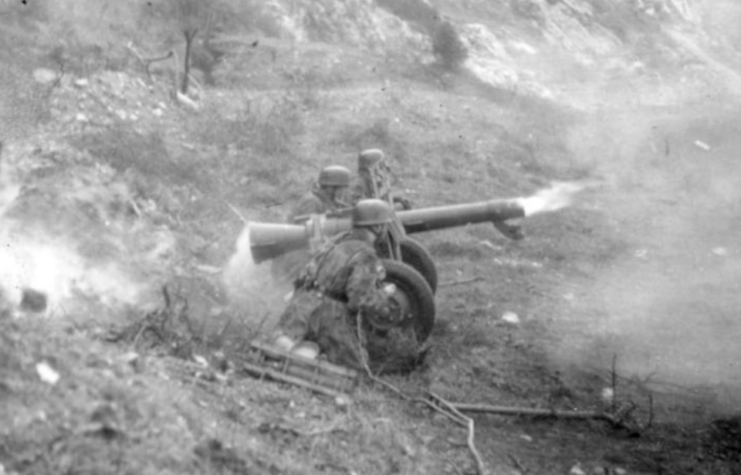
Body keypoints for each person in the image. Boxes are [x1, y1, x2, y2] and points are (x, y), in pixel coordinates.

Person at [272, 199, 399, 370]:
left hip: (301, 305)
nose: (385, 230)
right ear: (376, 228)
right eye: (384, 225)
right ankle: (314, 356)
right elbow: (358, 300)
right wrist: (383, 296)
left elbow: (307, 270)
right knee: (355, 367)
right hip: (329, 314)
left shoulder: (337, 239)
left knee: (279, 346)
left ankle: (300, 348)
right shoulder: (366, 255)